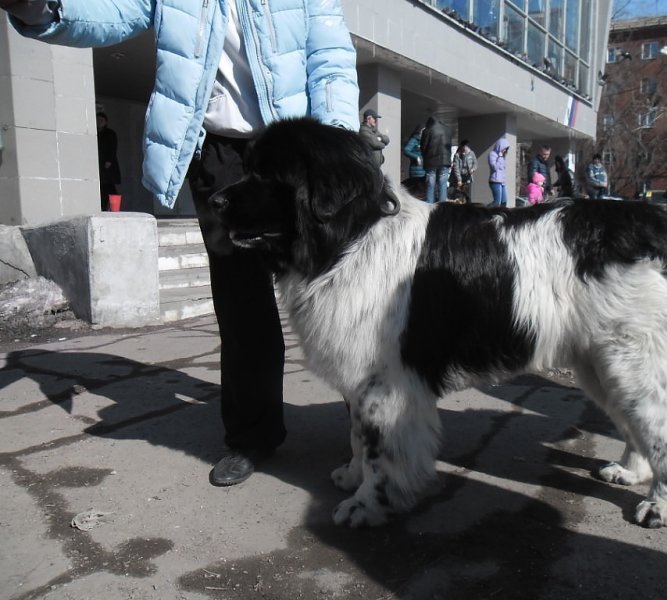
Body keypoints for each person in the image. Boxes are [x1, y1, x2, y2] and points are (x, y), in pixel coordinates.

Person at [3, 0, 360, 486]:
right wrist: (44, 9)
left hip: (295, 157)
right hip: (218, 156)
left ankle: (369, 429)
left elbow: (330, 56)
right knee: (240, 306)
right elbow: (113, 13)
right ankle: (253, 436)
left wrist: (335, 148)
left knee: (338, 301)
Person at [420, 115, 452, 204]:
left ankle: (430, 203)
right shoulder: (448, 130)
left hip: (431, 161)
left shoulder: (427, 130)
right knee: (443, 182)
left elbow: (423, 146)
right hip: (445, 160)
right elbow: (449, 146)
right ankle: (442, 203)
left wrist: (424, 156)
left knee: (431, 182)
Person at [95, 111, 121, 211]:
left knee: (109, 187)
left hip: (108, 166)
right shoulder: (95, 133)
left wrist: (109, 161)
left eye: (101, 120)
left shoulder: (110, 133)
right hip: (99, 166)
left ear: (106, 122)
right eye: (97, 120)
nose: (99, 122)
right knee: (102, 188)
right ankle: (103, 208)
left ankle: (114, 208)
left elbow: (113, 148)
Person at [452, 140, 478, 204]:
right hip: (459, 177)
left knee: (468, 195)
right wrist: (459, 180)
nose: (465, 148)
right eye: (463, 147)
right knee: (459, 195)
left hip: (468, 176)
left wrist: (473, 169)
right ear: (461, 147)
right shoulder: (457, 155)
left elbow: (475, 163)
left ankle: (469, 208)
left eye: (466, 147)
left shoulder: (471, 153)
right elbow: (456, 168)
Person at [488, 137, 510, 208]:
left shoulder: (502, 157)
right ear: (500, 146)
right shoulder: (492, 154)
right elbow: (495, 167)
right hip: (495, 181)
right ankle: (485, 211)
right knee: (497, 202)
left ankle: (502, 216)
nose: (505, 150)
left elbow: (502, 170)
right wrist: (500, 157)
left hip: (501, 182)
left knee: (504, 202)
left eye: (506, 149)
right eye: (504, 148)